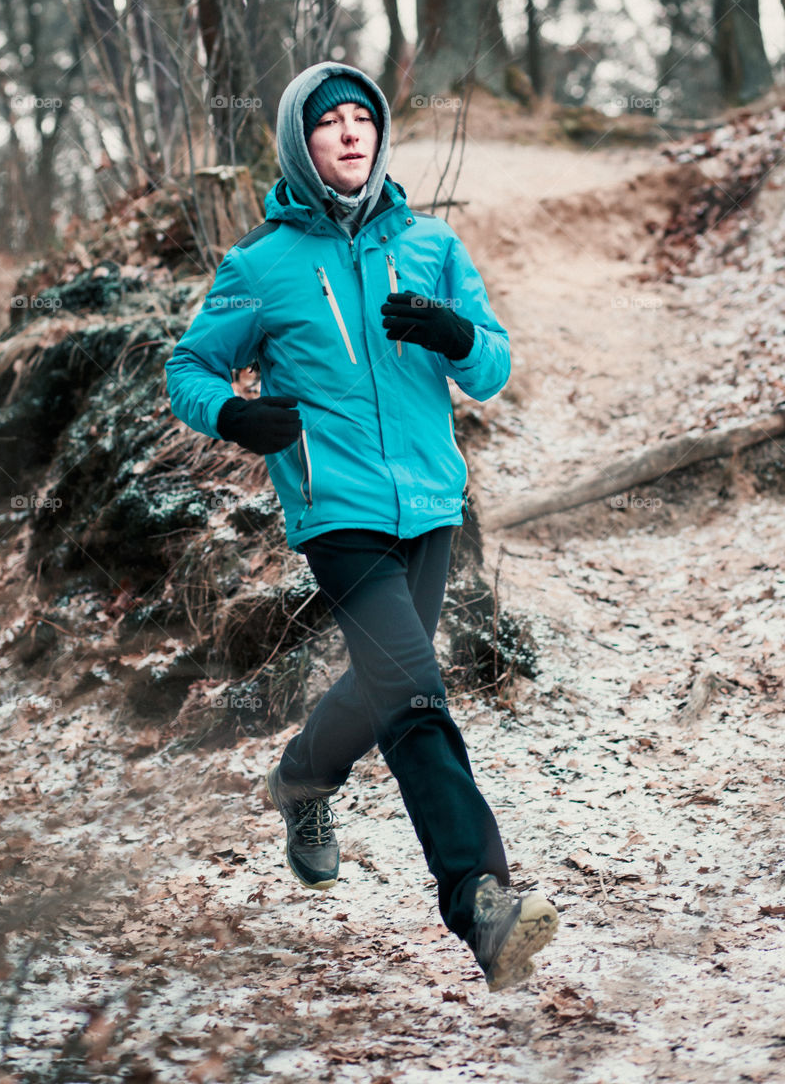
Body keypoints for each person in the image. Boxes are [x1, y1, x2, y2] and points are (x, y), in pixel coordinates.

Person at [164, 62, 558, 990]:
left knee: (389, 682)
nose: (349, 133)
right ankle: (481, 905)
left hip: (429, 506)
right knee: (417, 694)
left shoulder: (428, 244)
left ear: (380, 136)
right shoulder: (258, 267)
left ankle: (302, 776)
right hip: (334, 510)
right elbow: (190, 368)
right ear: (300, 144)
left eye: (362, 119)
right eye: (328, 122)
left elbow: (494, 365)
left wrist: (454, 335)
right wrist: (234, 415)